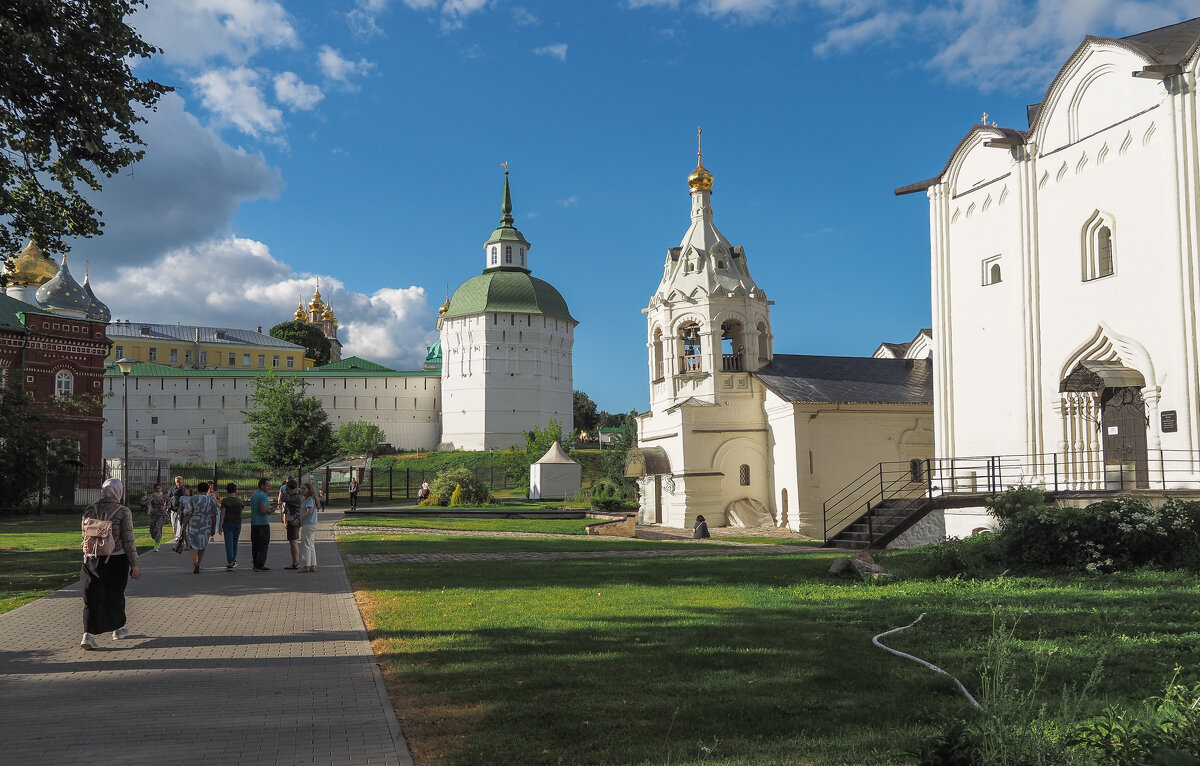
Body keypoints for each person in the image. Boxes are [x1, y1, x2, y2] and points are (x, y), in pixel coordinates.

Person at [80, 478, 140, 649]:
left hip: (91, 558)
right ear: (118, 492)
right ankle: (118, 628)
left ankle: (87, 635)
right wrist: (134, 564)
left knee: (92, 597)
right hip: (117, 559)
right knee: (115, 595)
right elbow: (128, 539)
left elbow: (84, 534)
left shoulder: (90, 508)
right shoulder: (123, 511)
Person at [182, 482, 219, 573]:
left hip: (193, 524)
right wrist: (213, 528)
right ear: (207, 490)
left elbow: (187, 514)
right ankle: (199, 562)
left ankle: (195, 563)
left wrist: (183, 526)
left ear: (197, 489)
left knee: (192, 545)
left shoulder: (192, 499)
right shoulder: (210, 500)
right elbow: (214, 515)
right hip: (206, 525)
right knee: (202, 546)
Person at [248, 478, 274, 571]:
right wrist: (271, 510)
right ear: (262, 485)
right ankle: (260, 565)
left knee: (255, 545)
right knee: (263, 545)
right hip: (262, 523)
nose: (269, 487)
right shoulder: (263, 496)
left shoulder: (254, 495)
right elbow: (263, 510)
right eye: (267, 485)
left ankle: (255, 564)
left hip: (254, 523)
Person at [219, 482, 245, 570]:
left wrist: (220, 524)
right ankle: (233, 559)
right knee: (235, 542)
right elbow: (241, 510)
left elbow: (223, 513)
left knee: (228, 542)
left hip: (227, 523)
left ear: (227, 491)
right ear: (236, 490)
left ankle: (230, 560)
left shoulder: (225, 501)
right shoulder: (239, 501)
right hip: (237, 523)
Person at [279, 479, 302, 569]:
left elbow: (283, 498)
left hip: (293, 519)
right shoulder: (298, 494)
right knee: (293, 541)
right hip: (293, 518)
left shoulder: (295, 496)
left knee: (293, 541)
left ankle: (296, 563)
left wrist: (292, 491)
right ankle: (295, 562)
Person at [298, 482, 320, 573]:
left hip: (308, 524)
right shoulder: (308, 499)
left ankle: (306, 565)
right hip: (311, 524)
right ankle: (312, 565)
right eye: (301, 488)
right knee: (310, 544)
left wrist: (299, 519)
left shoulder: (309, 500)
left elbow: (309, 511)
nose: (302, 490)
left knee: (305, 545)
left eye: (304, 489)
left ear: (309, 490)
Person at [141, 483, 169, 551]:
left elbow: (169, 505)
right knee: (152, 530)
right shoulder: (151, 495)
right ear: (154, 489)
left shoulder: (164, 496)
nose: (158, 490)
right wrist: (152, 497)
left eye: (159, 488)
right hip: (153, 514)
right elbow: (145, 503)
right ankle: (155, 538)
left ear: (161, 489)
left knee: (158, 528)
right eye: (156, 488)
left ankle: (157, 544)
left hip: (161, 514)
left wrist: (165, 507)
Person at [166, 475, 186, 544]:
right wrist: (167, 503)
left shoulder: (184, 489)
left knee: (179, 524)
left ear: (182, 482)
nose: (178, 483)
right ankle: (177, 536)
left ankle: (178, 538)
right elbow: (168, 497)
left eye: (179, 482)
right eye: (177, 482)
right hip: (173, 509)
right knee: (173, 524)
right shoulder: (172, 489)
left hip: (182, 510)